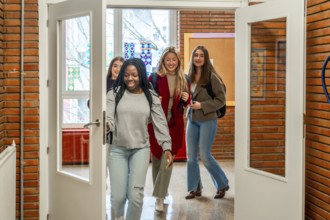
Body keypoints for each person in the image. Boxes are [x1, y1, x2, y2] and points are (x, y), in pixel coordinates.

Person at [106, 58, 173, 220]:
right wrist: (106, 126)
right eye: (127, 75)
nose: (130, 78)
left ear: (141, 75)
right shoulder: (114, 93)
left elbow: (160, 123)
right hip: (117, 149)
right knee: (118, 198)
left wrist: (167, 147)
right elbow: (108, 116)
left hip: (140, 150)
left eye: (134, 75)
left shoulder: (151, 96)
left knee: (136, 197)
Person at [147, 46, 190, 212]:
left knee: (168, 159)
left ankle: (159, 197)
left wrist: (187, 98)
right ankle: (162, 194)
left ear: (178, 61)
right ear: (163, 61)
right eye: (168, 60)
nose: (171, 63)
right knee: (158, 159)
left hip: (174, 125)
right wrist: (153, 98)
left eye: (174, 60)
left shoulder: (183, 79)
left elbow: (185, 102)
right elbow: (145, 97)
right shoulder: (154, 78)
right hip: (157, 124)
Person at [185, 45, 229, 200]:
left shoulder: (211, 77)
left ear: (205, 58)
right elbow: (187, 97)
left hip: (208, 120)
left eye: (201, 55)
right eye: (196, 55)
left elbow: (221, 100)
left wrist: (202, 105)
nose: (198, 58)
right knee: (190, 156)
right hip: (192, 119)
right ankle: (194, 188)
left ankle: (222, 184)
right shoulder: (188, 77)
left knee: (204, 155)